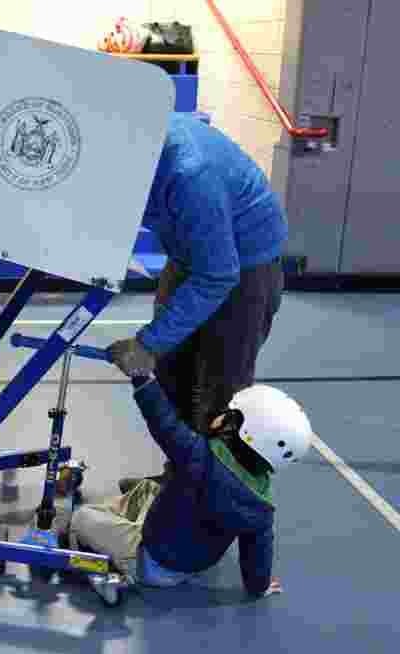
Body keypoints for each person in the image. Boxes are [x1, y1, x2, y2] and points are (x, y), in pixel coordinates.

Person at [107, 113, 286, 490]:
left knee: (218, 393)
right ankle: (180, 484)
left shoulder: (191, 176)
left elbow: (219, 273)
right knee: (171, 376)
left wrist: (147, 344)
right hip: (193, 253)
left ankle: (210, 505)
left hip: (245, 266)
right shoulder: (130, 142)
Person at [66, 373, 312, 598]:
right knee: (150, 490)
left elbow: (163, 421)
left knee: (81, 517)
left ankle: (110, 574)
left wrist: (143, 379)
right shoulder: (262, 507)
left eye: (231, 415)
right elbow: (257, 555)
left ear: (242, 430)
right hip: (191, 565)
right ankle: (121, 525)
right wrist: (261, 587)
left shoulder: (199, 457)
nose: (222, 415)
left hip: (147, 558)